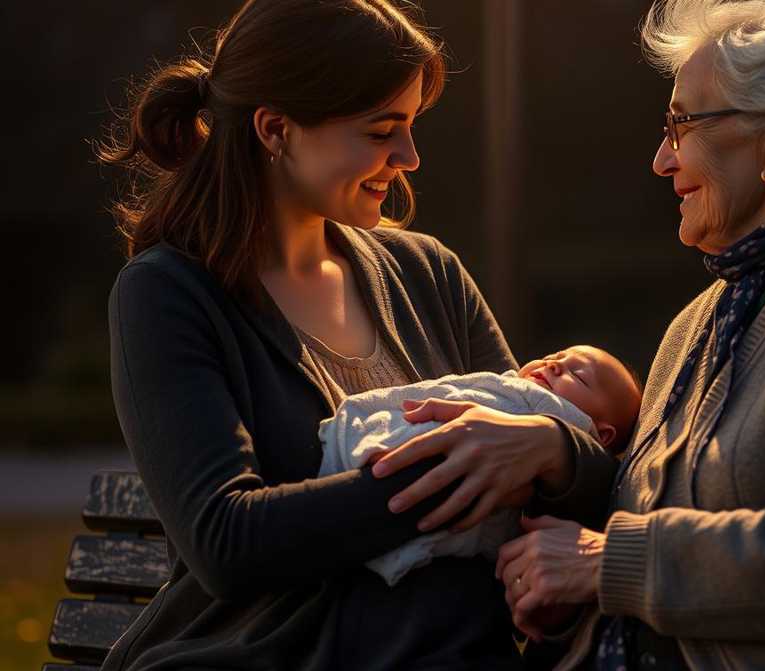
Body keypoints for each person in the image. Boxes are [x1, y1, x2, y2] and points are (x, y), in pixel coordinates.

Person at [376, 0, 765, 668]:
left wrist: (606, 563)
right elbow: (654, 557)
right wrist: (565, 590)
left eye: (682, 124)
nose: (661, 159)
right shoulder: (696, 324)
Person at [100, 0, 541, 668]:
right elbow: (227, 539)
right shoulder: (166, 295)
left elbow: (536, 442)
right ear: (276, 129)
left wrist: (552, 450)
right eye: (381, 130)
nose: (409, 156)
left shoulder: (431, 276)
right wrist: (461, 468)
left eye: (412, 126)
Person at [315, 345, 642, 586]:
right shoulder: (508, 385)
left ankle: (387, 447)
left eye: (578, 375)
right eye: (556, 356)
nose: (554, 365)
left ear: (600, 435)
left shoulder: (553, 419)